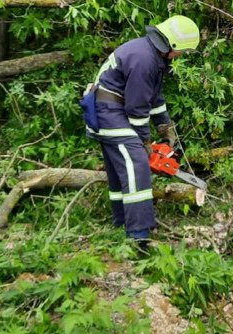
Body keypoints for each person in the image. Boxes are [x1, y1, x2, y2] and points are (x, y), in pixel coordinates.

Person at [80, 15, 200, 250]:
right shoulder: (145, 60)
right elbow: (136, 108)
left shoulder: (151, 56)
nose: (181, 56)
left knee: (120, 170)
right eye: (181, 51)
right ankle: (138, 235)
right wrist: (145, 142)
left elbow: (154, 98)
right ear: (171, 45)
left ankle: (121, 222)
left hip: (109, 110)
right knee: (137, 164)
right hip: (107, 112)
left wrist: (165, 128)